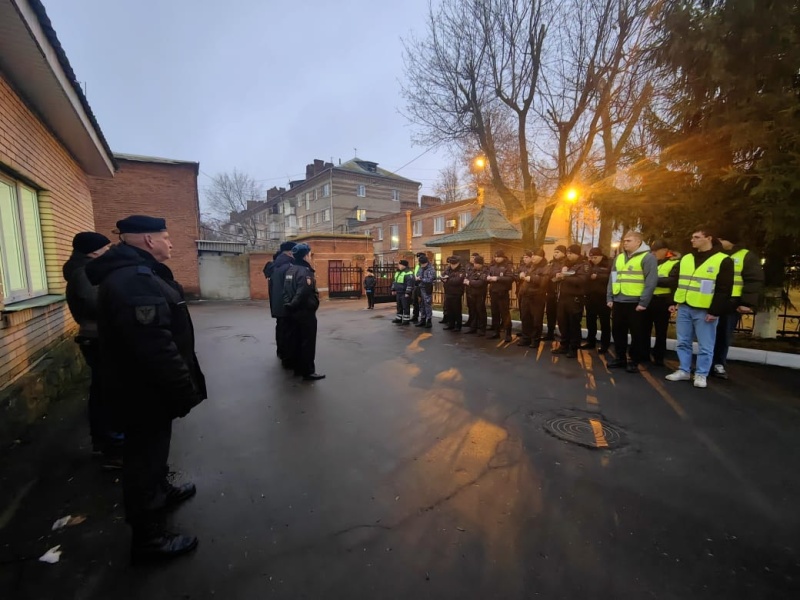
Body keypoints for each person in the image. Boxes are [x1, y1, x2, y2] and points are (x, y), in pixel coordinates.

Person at [85, 215, 206, 563]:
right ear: (148, 241)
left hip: (146, 389)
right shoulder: (133, 281)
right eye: (166, 237)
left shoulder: (140, 274)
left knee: (153, 453)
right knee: (143, 460)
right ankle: (149, 537)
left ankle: (161, 491)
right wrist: (183, 387)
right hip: (144, 392)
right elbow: (154, 344)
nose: (171, 244)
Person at [63, 231, 122, 468]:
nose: (108, 251)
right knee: (106, 393)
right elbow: (96, 303)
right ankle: (111, 445)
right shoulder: (84, 272)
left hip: (97, 337)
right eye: (106, 248)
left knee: (104, 391)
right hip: (97, 338)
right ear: (93, 251)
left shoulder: (84, 270)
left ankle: (108, 442)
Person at [666, 227, 733, 388]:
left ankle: (701, 374)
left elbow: (724, 289)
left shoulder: (723, 260)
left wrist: (715, 311)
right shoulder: (687, 258)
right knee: (683, 341)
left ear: (708, 238)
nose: (692, 240)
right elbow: (676, 281)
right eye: (692, 237)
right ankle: (684, 370)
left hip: (705, 310)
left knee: (706, 345)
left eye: (696, 237)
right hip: (684, 306)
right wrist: (673, 301)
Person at [711, 231, 764, 379]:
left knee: (724, 334)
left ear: (730, 240)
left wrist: (746, 302)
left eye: (721, 238)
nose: (718, 241)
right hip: (713, 301)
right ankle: (706, 364)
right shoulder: (716, 255)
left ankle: (718, 364)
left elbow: (753, 280)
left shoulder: (746, 256)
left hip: (731, 303)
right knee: (709, 335)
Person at [606, 231, 658, 373]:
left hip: (636, 303)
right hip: (618, 301)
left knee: (637, 333)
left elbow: (651, 282)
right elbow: (613, 278)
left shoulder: (648, 258)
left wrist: (643, 302)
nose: (625, 243)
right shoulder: (620, 258)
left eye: (629, 241)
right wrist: (610, 297)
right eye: (624, 241)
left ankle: (634, 360)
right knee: (618, 331)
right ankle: (620, 358)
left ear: (638, 242)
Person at [283, 243, 325, 381]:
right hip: (305, 312)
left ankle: (298, 369)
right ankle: (308, 371)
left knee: (296, 340)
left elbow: (286, 291)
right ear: (305, 256)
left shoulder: (290, 270)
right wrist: (295, 304)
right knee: (307, 342)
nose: (310, 257)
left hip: (293, 312)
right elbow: (303, 292)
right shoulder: (305, 271)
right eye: (309, 254)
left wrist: (288, 305)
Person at [644, 240, 679, 366]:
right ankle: (644, 354)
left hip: (662, 301)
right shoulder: (649, 262)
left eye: (656, 251)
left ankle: (658, 357)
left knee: (660, 331)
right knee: (644, 329)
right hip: (648, 299)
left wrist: (652, 280)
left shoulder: (673, 263)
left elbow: (672, 281)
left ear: (665, 250)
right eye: (651, 251)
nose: (653, 254)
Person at [553, 245, 591, 358]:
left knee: (573, 324)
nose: (568, 255)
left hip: (575, 299)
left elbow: (582, 280)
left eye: (571, 253)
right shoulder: (566, 265)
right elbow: (554, 275)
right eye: (568, 253)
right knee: (562, 322)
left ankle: (573, 348)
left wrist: (565, 277)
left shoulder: (584, 265)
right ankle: (564, 345)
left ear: (577, 254)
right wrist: (559, 276)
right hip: (563, 297)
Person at [264, 241, 297, 368]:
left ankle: (281, 352)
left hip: (277, 305)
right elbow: (290, 289)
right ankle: (288, 360)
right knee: (289, 332)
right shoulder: (288, 267)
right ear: (290, 252)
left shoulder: (274, 266)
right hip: (287, 306)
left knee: (281, 329)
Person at [515, 249, 548, 348]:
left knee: (536, 320)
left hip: (537, 297)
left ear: (541, 257)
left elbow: (544, 281)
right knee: (525, 318)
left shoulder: (545, 267)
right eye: (532, 255)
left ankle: (535, 340)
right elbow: (519, 273)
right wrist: (520, 275)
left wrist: (532, 278)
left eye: (535, 255)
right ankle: (526, 338)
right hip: (525, 296)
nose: (532, 257)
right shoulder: (530, 266)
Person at [582, 247, 611, 353]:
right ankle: (591, 341)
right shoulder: (588, 265)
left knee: (605, 322)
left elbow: (610, 277)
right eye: (591, 257)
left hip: (603, 298)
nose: (593, 259)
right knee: (590, 321)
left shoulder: (608, 265)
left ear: (601, 256)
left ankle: (605, 345)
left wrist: (598, 276)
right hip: (590, 297)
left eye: (595, 257)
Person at [487, 250, 514, 342]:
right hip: (493, 292)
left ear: (503, 257)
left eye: (498, 257)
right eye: (495, 257)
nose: (496, 258)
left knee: (505, 314)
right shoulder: (492, 265)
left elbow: (510, 278)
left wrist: (497, 278)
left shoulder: (507, 266)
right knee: (495, 313)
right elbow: (487, 274)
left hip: (502, 293)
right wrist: (488, 278)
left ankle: (508, 333)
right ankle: (496, 332)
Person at [544, 246, 566, 340]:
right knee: (550, 314)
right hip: (551, 292)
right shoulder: (551, 263)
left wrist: (560, 275)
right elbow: (546, 273)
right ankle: (550, 333)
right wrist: (554, 275)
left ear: (563, 253)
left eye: (557, 252)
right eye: (554, 252)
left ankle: (563, 336)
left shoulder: (566, 263)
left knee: (561, 317)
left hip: (561, 293)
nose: (555, 254)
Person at [463, 256, 488, 335]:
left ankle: (482, 328)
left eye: (475, 263)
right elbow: (467, 278)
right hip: (472, 293)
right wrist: (469, 281)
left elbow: (481, 283)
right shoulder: (473, 270)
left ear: (480, 263)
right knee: (473, 311)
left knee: (480, 311)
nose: (474, 265)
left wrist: (470, 282)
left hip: (480, 294)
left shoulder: (485, 271)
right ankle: (473, 327)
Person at [442, 256, 466, 331]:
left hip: (457, 292)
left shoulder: (461, 270)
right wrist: (445, 279)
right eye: (451, 264)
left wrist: (447, 280)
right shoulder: (448, 269)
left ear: (458, 263)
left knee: (457, 310)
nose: (452, 265)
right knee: (449, 309)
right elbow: (442, 276)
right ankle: (451, 324)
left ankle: (458, 325)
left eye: (454, 264)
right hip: (448, 291)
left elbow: (457, 281)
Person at [415, 254, 436, 328]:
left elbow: (430, 280)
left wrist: (421, 279)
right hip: (420, 288)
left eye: (423, 264)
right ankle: (422, 319)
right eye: (421, 264)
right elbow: (417, 274)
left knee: (427, 304)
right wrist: (417, 278)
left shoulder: (431, 269)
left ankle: (428, 320)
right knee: (421, 304)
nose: (422, 265)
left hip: (427, 288)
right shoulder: (421, 267)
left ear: (427, 262)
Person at [391, 260, 414, 325]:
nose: (399, 266)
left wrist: (408, 292)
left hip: (404, 293)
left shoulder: (408, 273)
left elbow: (410, 284)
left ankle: (406, 320)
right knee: (399, 306)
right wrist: (393, 289)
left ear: (404, 265)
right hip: (398, 292)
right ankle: (399, 318)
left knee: (405, 306)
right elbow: (395, 281)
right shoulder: (398, 272)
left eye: (400, 265)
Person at [464, 253, 481, 330]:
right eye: (471, 257)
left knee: (476, 307)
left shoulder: (477, 268)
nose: (472, 259)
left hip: (474, 289)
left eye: (474, 257)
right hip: (468, 289)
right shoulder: (467, 266)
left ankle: (476, 322)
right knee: (470, 306)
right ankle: (470, 320)